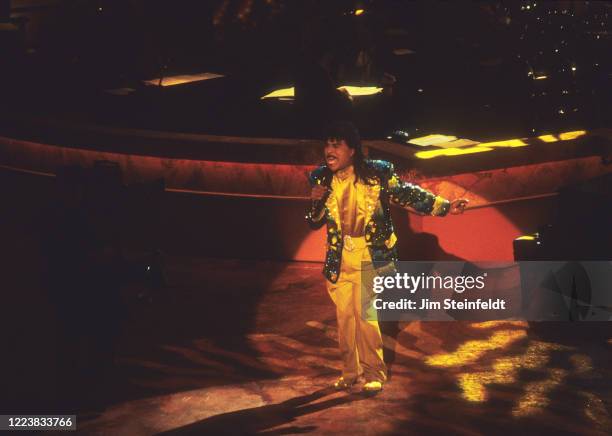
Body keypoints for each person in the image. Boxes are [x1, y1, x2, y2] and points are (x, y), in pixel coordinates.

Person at [305, 121, 467, 393]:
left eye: (336, 145)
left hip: (371, 254)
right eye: (327, 145)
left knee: (366, 318)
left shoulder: (377, 174)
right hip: (339, 257)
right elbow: (313, 222)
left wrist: (445, 207)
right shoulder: (320, 178)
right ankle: (350, 373)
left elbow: (407, 194)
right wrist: (316, 201)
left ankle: (373, 373)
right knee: (345, 320)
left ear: (352, 150)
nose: (329, 151)